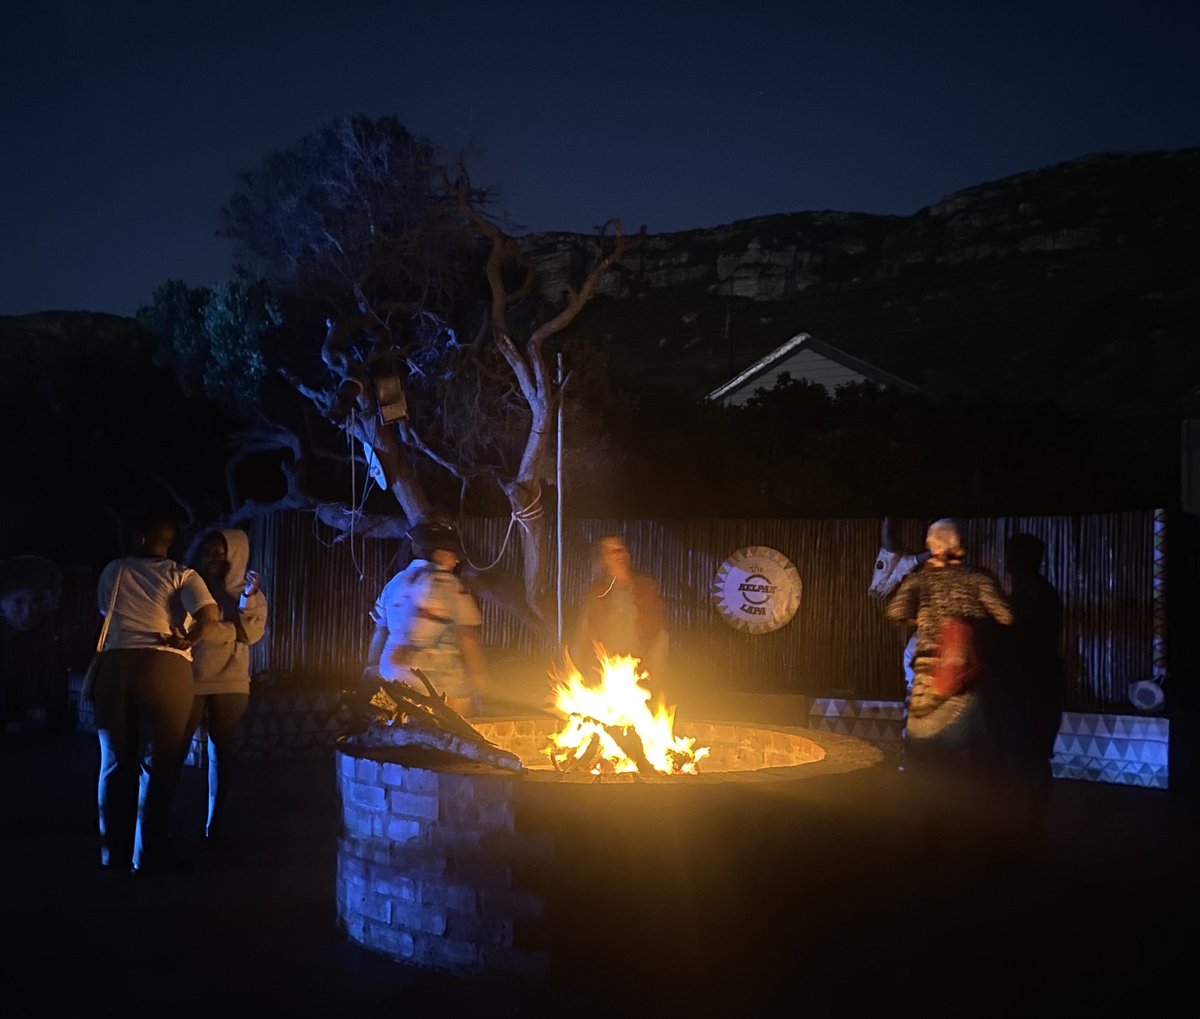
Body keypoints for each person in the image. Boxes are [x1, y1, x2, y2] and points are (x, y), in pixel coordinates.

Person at [92, 510, 219, 874]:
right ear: (168, 541)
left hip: (115, 668)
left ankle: (110, 853)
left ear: (141, 539)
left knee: (114, 764)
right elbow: (209, 616)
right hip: (166, 666)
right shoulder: (183, 574)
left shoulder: (114, 570)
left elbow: (105, 610)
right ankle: (147, 854)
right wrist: (187, 639)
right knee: (159, 766)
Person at [885, 518, 1013, 840]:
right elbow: (1007, 617)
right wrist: (971, 627)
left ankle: (929, 828)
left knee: (927, 755)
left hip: (928, 681)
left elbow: (895, 610)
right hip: (963, 679)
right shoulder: (978, 578)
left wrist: (924, 616)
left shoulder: (923, 581)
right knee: (969, 756)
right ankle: (974, 829)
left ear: (932, 545)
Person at [182, 528, 267, 846]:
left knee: (221, 754)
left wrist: (248, 598)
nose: (214, 559)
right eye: (210, 552)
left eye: (222, 553)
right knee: (173, 750)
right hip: (191, 679)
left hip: (231, 681)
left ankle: (213, 824)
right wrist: (221, 628)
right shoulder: (189, 587)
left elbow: (251, 634)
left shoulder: (249, 595)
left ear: (237, 555)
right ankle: (158, 821)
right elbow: (182, 628)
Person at [363, 519, 489, 717]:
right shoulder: (452, 586)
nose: (456, 561)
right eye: (453, 555)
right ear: (440, 554)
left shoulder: (394, 583)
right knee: (452, 735)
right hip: (439, 681)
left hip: (392, 675)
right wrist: (479, 676)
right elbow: (466, 637)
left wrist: (371, 666)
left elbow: (380, 629)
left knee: (397, 734)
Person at [991, 532, 1064, 841]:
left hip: (1025, 688)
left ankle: (1023, 826)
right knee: (1033, 758)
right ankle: (1032, 824)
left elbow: (1011, 646)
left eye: (1011, 556)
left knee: (1023, 759)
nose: (1007, 563)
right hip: (1043, 686)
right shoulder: (1045, 594)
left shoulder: (1022, 600)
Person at [572, 534, 669, 684]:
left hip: (638, 670)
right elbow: (584, 632)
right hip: (605, 671)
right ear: (603, 559)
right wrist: (576, 669)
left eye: (620, 549)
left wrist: (656, 666)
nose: (619, 554)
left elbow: (660, 631)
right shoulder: (597, 593)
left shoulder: (645, 587)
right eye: (612, 551)